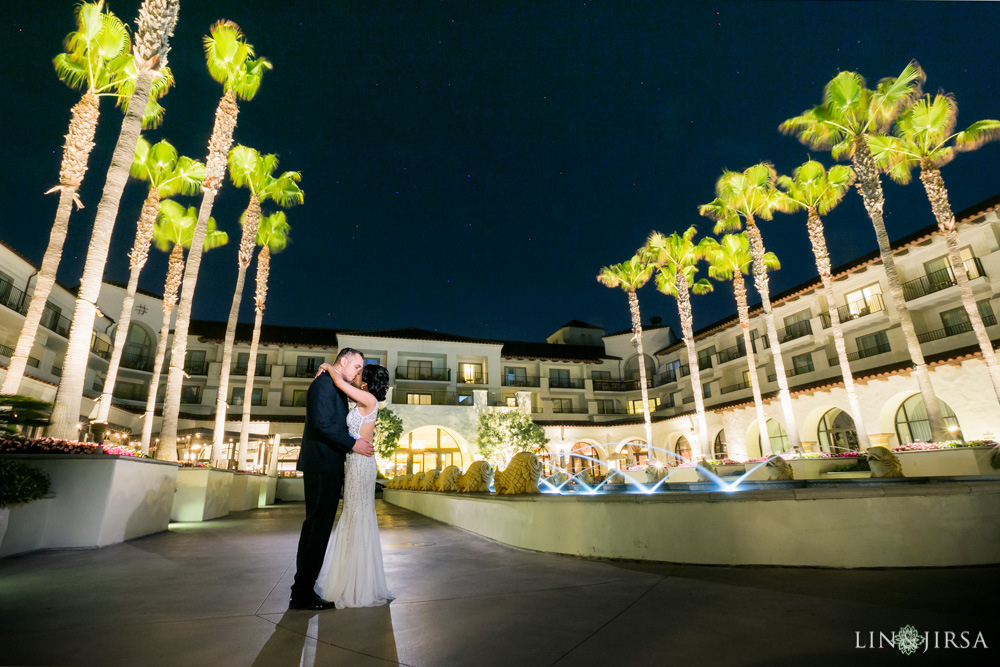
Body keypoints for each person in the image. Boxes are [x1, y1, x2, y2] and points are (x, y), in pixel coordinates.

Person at [289, 348, 374, 611]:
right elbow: (322, 425)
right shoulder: (323, 384)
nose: (359, 371)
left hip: (329, 465)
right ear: (344, 361)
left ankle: (305, 587)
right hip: (322, 465)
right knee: (317, 527)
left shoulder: (332, 382)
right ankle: (301, 593)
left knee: (320, 527)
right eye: (357, 366)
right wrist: (353, 444)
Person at [314, 362, 395, 608]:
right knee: (352, 515)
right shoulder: (364, 401)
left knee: (357, 516)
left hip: (360, 465)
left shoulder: (369, 399)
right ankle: (353, 577)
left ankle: (357, 584)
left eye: (360, 373)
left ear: (367, 381)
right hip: (356, 462)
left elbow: (340, 383)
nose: (356, 375)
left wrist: (329, 366)